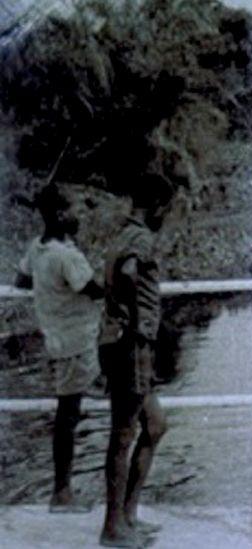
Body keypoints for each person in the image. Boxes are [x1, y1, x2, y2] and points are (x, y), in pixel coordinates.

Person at [15, 184, 104, 513]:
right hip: (77, 342)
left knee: (70, 413)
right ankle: (62, 493)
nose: (80, 215)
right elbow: (95, 290)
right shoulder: (66, 256)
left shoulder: (38, 248)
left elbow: (21, 281)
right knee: (68, 416)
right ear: (59, 215)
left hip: (59, 341)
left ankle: (64, 491)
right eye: (74, 210)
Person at [98, 178, 173, 547]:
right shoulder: (140, 238)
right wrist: (137, 323)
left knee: (155, 425)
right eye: (166, 209)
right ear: (157, 205)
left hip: (127, 344)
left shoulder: (124, 233)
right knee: (124, 434)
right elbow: (128, 274)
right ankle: (112, 529)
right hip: (130, 345)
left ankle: (127, 516)